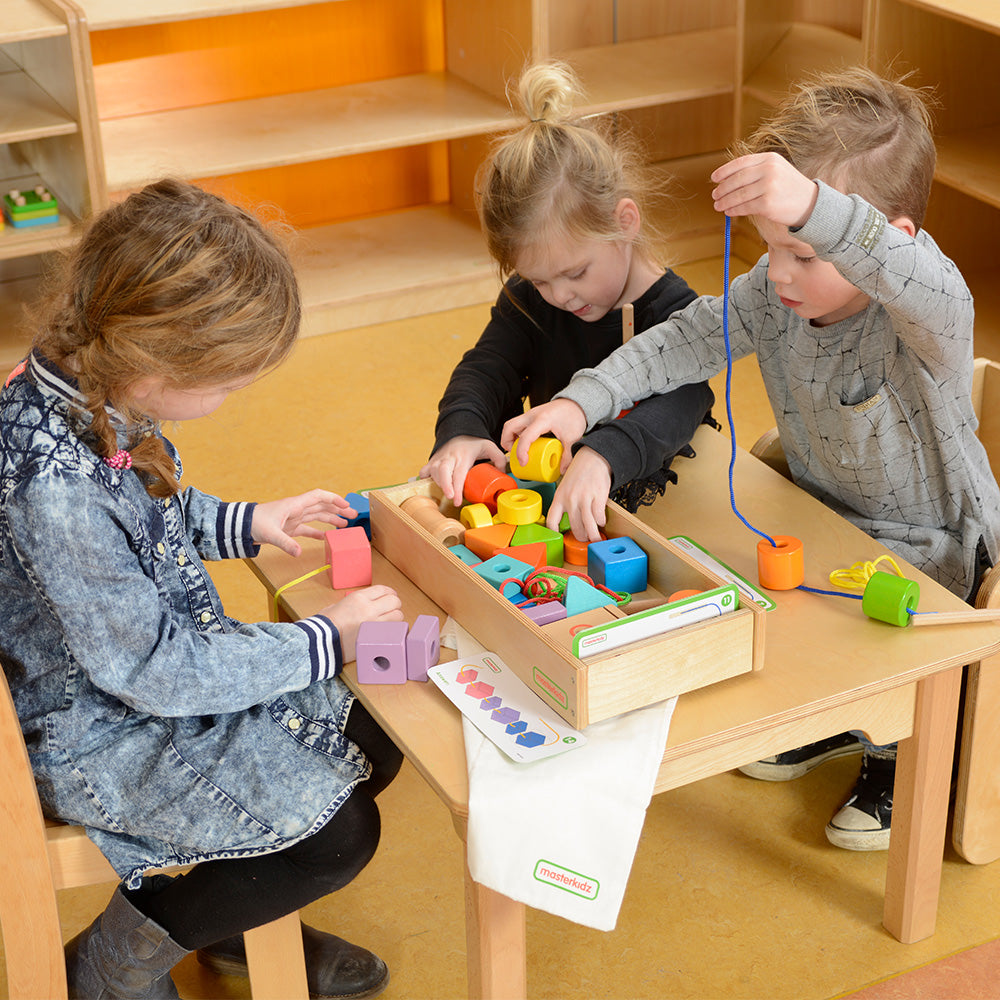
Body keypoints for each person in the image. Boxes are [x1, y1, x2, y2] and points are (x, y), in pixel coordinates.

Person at [501, 66, 1000, 851]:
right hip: (827, 525)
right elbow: (682, 341)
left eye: (805, 250)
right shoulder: (777, 289)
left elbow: (920, 276)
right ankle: (838, 717)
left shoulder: (925, 317)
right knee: (764, 604)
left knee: (875, 636)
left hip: (931, 557)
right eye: (771, 251)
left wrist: (808, 206)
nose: (781, 273)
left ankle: (898, 753)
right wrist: (578, 402)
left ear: (878, 240)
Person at [0, 178, 406, 999]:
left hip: (142, 688)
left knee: (381, 730)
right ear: (151, 364)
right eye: (226, 382)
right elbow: (156, 672)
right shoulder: (57, 489)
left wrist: (247, 521)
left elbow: (147, 514)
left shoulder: (92, 388)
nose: (230, 400)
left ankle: (227, 912)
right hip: (97, 734)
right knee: (338, 837)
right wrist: (324, 637)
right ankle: (111, 968)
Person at [420, 60, 715, 540]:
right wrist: (463, 430)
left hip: (665, 505)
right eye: (538, 281)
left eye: (575, 272)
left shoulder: (677, 315)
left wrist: (604, 454)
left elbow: (686, 401)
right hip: (554, 498)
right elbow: (487, 367)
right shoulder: (530, 300)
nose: (558, 295)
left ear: (625, 222)